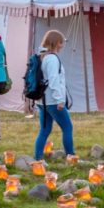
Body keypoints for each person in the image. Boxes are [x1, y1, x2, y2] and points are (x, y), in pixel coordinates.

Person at [33, 30, 74, 160]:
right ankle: (71, 156)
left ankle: (38, 157)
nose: (62, 45)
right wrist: (60, 100)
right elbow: (53, 80)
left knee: (45, 130)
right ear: (57, 43)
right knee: (67, 127)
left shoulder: (42, 56)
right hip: (52, 101)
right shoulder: (52, 59)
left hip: (42, 101)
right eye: (61, 42)